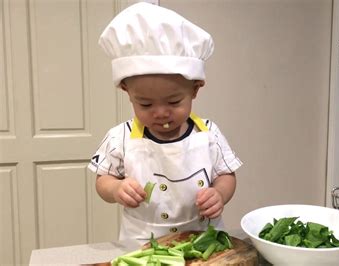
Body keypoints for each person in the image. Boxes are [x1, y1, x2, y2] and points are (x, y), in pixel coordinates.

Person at [88, 2, 242, 244]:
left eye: (173, 102)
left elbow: (227, 175)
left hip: (204, 240)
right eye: (145, 105)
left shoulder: (209, 133)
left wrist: (220, 193)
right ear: (127, 92)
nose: (160, 113)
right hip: (142, 243)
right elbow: (102, 181)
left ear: (195, 89)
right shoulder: (120, 137)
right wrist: (116, 190)